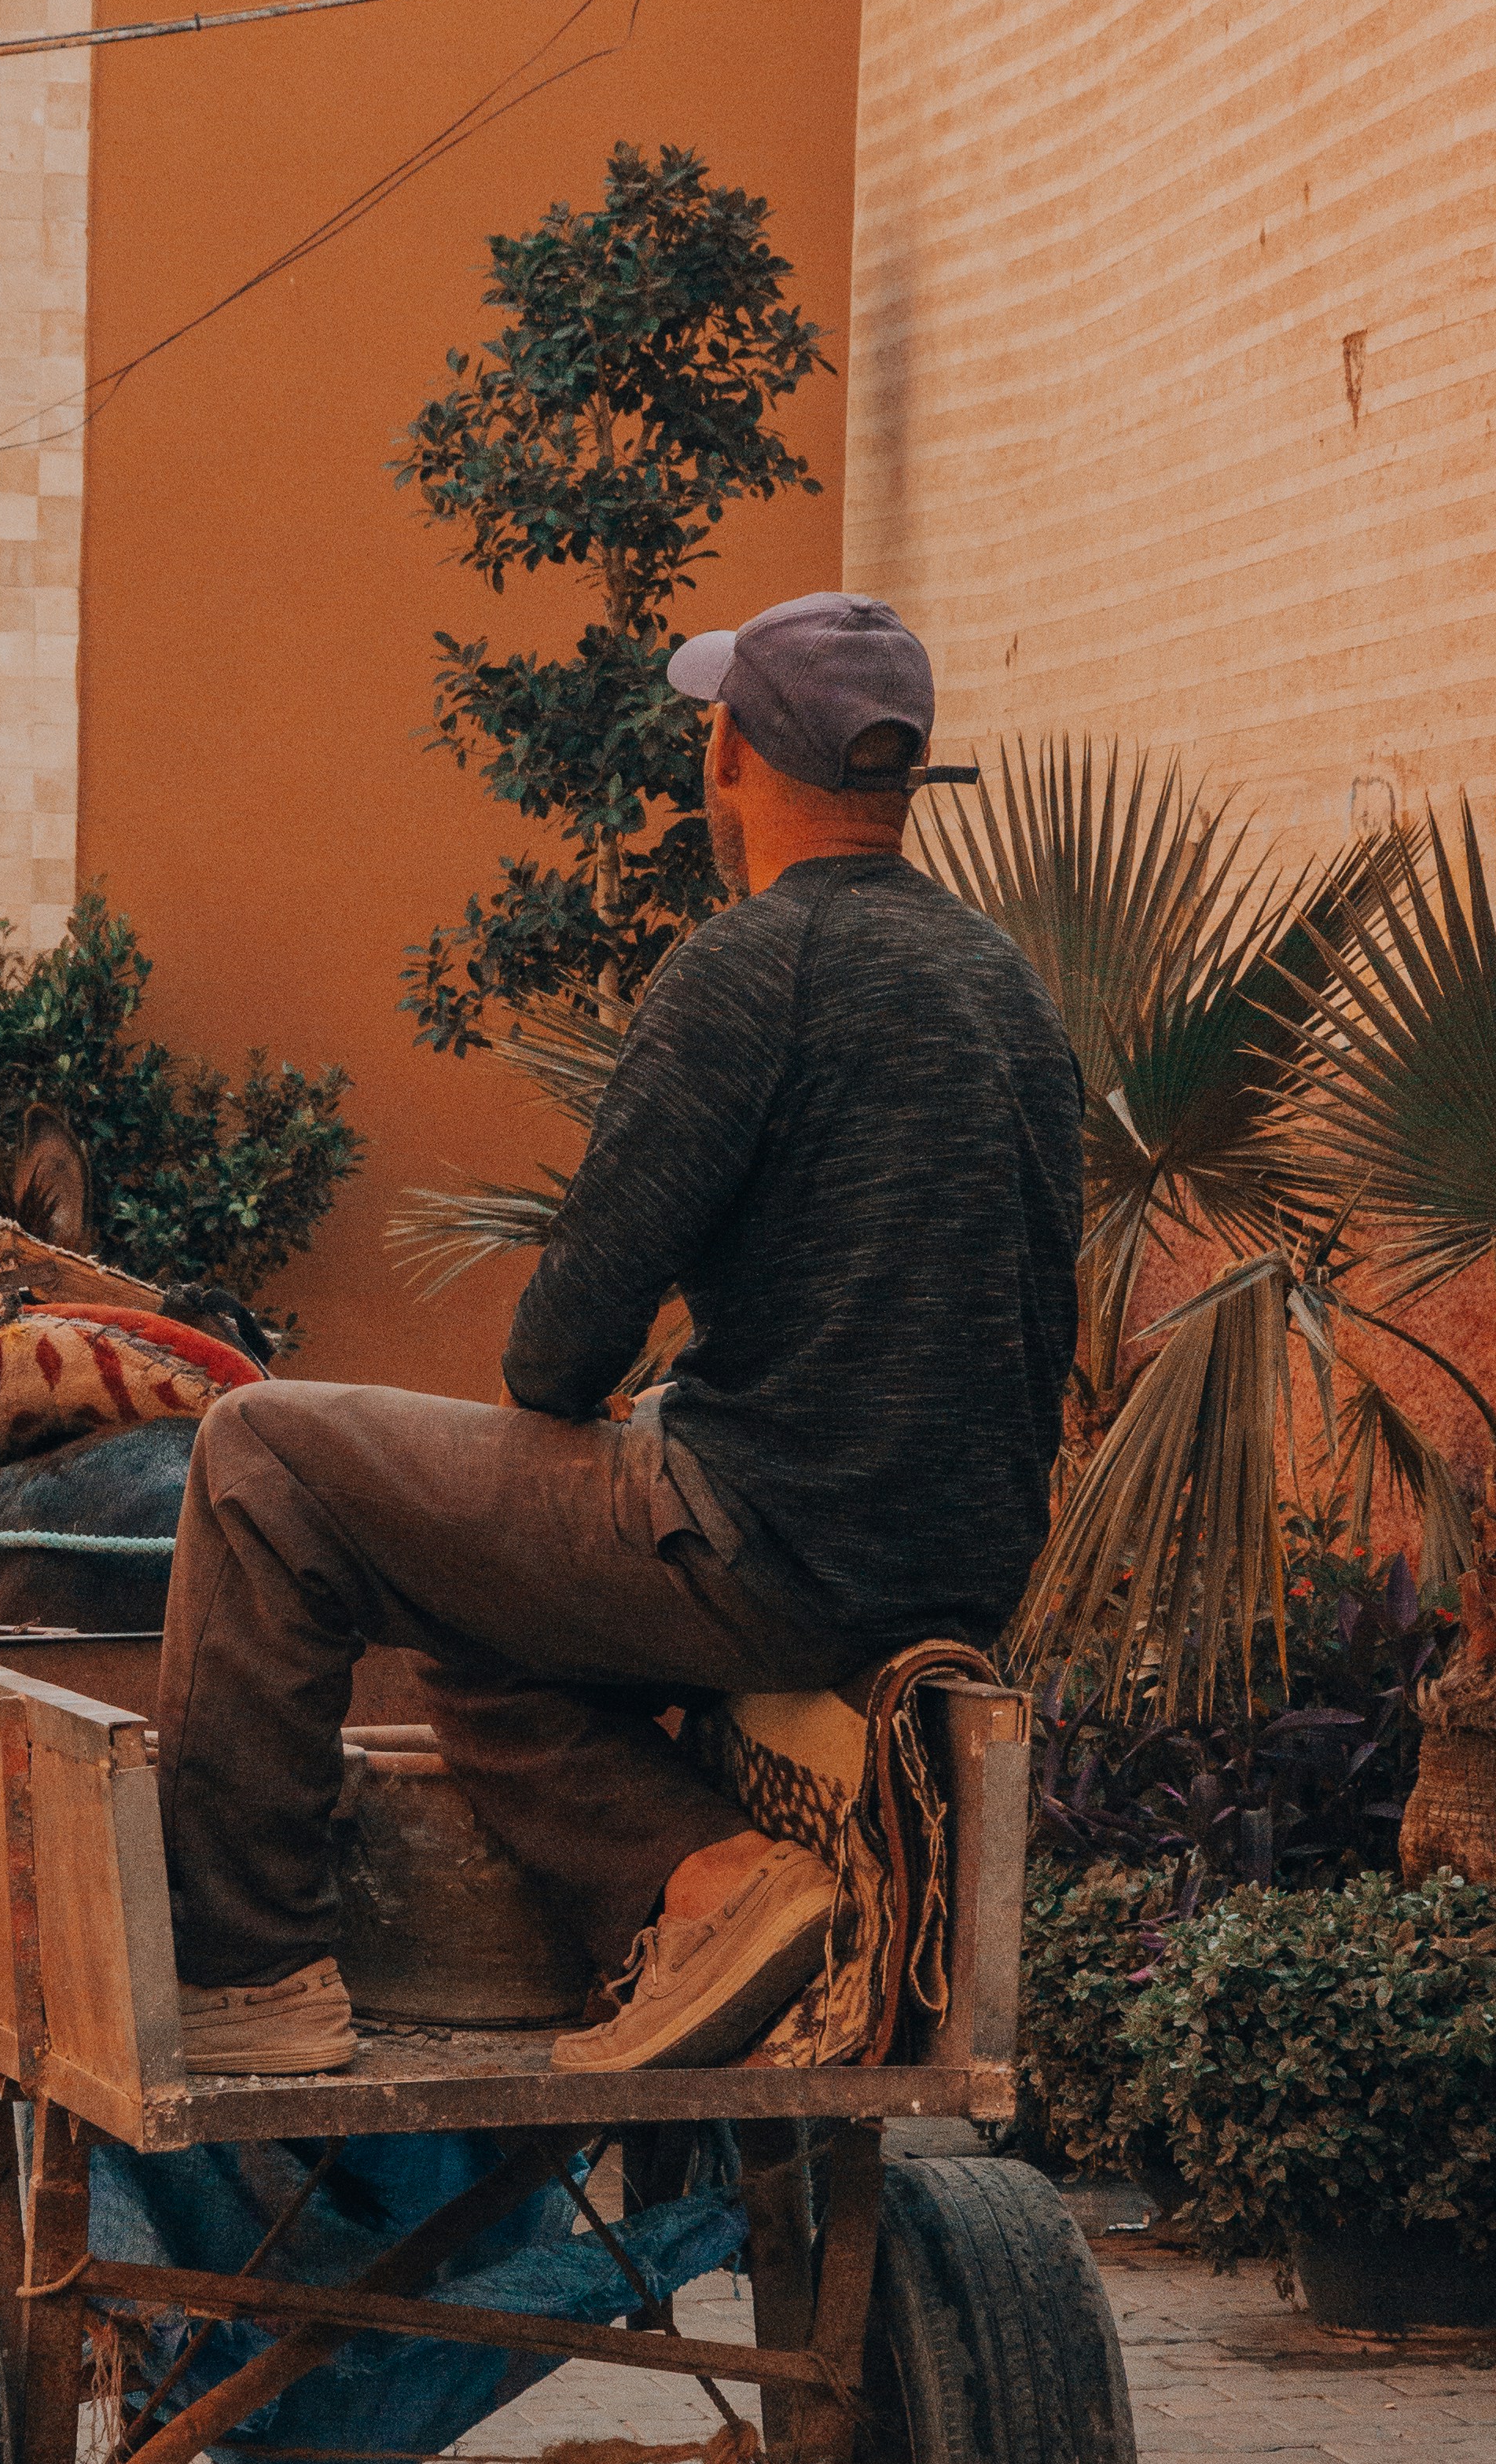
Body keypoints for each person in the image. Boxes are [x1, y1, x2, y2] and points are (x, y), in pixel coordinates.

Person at [156, 591, 1082, 2078]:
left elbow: (558, 1352)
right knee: (469, 1623)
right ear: (905, 780)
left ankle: (246, 1976)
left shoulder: (748, 970)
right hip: (956, 1569)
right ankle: (715, 1880)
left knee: (263, 1456)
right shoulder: (1008, 989)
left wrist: (611, 1409)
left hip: (770, 1548)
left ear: (726, 753)